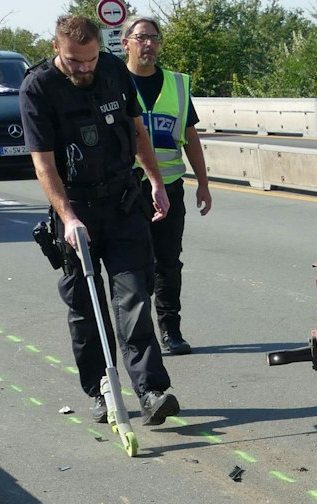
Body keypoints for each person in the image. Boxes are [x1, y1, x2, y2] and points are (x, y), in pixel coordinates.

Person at [20, 15, 180, 428]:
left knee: (134, 298)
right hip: (77, 211)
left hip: (124, 203)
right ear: (58, 49)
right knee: (85, 306)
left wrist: (156, 181)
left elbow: (136, 129)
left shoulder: (111, 70)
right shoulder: (37, 88)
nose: (84, 68)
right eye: (75, 61)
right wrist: (68, 217)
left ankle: (150, 390)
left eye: (90, 59)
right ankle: (101, 389)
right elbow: (43, 163)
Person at [125, 16, 210, 356]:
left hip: (170, 187)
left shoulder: (176, 84)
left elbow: (190, 137)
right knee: (133, 264)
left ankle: (170, 331)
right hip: (127, 189)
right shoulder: (113, 81)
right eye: (141, 37)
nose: (149, 44)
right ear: (125, 42)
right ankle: (138, 333)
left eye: (154, 38)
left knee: (168, 263)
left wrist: (203, 183)